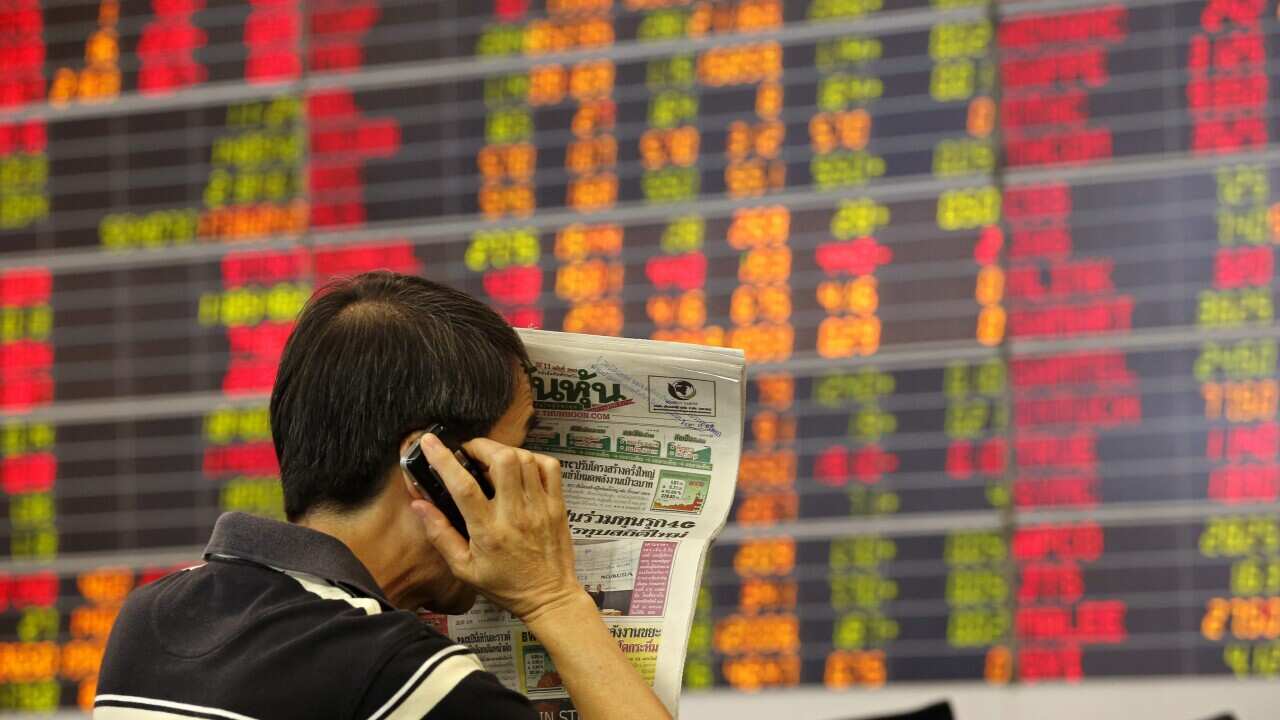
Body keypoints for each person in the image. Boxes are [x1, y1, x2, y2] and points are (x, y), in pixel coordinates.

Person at [94, 272, 672, 720]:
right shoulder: (404, 676)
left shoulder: (150, 617)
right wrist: (553, 598)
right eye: (514, 455)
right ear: (433, 467)